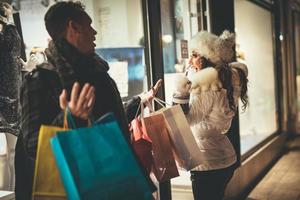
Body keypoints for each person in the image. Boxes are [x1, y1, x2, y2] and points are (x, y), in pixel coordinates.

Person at [14, 1, 161, 199]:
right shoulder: (41, 80)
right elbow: (32, 145)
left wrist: (141, 100)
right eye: (89, 25)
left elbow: (108, 123)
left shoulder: (98, 73)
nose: (94, 33)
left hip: (117, 178)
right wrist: (69, 117)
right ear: (73, 28)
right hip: (80, 187)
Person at [172, 30, 248, 200]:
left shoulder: (207, 86)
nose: (190, 61)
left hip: (207, 162)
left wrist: (180, 90)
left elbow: (186, 120)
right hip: (224, 156)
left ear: (207, 57)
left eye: (194, 55)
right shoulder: (227, 78)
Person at [0, 2, 21, 191]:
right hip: (9, 96)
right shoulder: (9, 33)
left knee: (12, 153)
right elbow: (11, 45)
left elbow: (13, 51)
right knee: (10, 153)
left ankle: (11, 191)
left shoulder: (9, 34)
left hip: (11, 97)